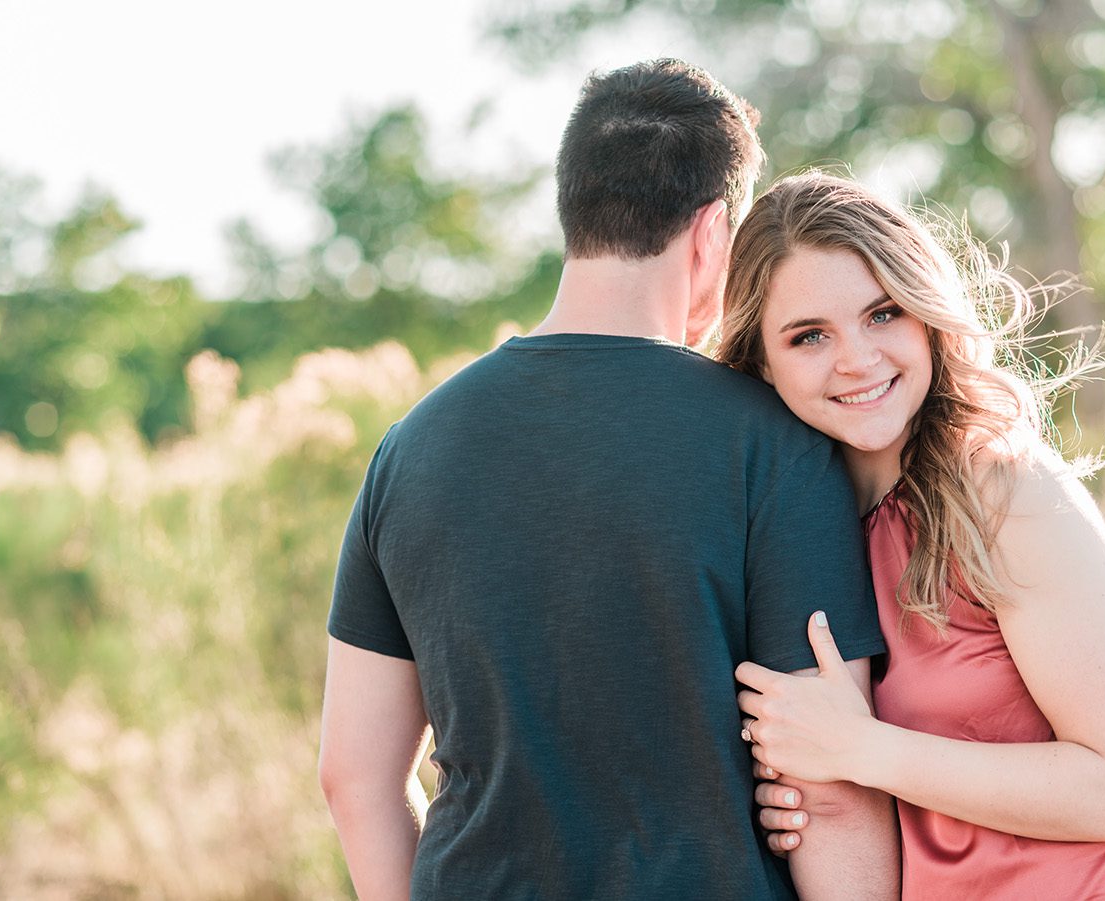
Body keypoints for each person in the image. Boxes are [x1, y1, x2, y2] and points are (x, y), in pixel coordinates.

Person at [319, 63, 898, 900]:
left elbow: (354, 778)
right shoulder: (775, 446)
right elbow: (830, 790)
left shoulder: (408, 451)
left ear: (575, 211)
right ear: (712, 236)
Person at [719, 171, 1105, 899]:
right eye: (810, 336)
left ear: (928, 315)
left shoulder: (1003, 488)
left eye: (884, 314)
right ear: (761, 361)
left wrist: (863, 750)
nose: (857, 358)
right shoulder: (801, 533)